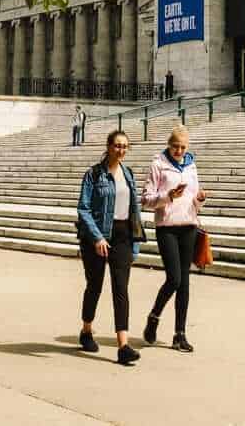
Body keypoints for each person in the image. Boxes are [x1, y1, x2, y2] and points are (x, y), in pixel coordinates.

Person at [75, 129, 146, 365]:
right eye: (117, 145)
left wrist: (135, 244)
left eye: (125, 146)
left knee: (121, 289)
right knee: (94, 286)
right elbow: (83, 208)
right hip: (97, 236)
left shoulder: (128, 174)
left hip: (123, 235)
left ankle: (123, 346)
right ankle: (86, 330)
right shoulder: (94, 174)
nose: (121, 150)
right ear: (108, 146)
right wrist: (97, 238)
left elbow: (135, 210)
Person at [140, 125, 208, 352]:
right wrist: (168, 196)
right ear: (169, 144)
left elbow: (194, 199)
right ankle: (154, 316)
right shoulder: (158, 163)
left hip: (188, 225)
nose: (179, 151)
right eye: (175, 146)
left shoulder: (191, 164)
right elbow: (146, 199)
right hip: (167, 227)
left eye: (182, 147)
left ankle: (180, 333)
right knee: (174, 278)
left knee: (185, 283)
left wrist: (199, 199)